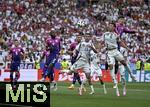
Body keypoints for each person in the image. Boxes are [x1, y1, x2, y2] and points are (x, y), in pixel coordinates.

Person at [101, 22, 136, 96]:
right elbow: (101, 42)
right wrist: (99, 48)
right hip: (109, 52)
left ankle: (132, 75)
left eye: (111, 26)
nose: (109, 27)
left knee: (124, 62)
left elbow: (120, 43)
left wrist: (127, 48)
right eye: (109, 25)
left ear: (114, 27)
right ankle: (114, 81)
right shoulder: (105, 34)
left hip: (115, 51)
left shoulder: (116, 35)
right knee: (110, 65)